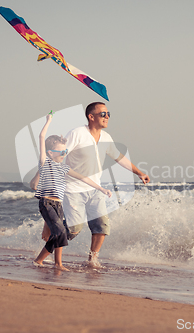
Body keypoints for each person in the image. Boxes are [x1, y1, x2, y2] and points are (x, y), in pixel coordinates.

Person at [62, 102, 150, 267]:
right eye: (103, 114)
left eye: (108, 113)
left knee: (101, 225)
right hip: (74, 189)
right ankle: (49, 243)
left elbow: (119, 158)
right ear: (91, 116)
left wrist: (139, 173)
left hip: (96, 189)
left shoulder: (106, 138)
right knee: (74, 230)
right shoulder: (77, 133)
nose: (107, 116)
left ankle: (92, 260)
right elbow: (59, 155)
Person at [31, 113, 112, 271]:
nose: (63, 155)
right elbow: (41, 137)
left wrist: (101, 188)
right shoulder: (45, 163)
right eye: (61, 152)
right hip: (46, 203)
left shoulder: (64, 167)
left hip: (58, 204)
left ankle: (53, 263)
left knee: (60, 233)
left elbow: (83, 178)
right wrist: (48, 121)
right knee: (61, 231)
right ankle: (45, 261)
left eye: (64, 152)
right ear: (50, 153)